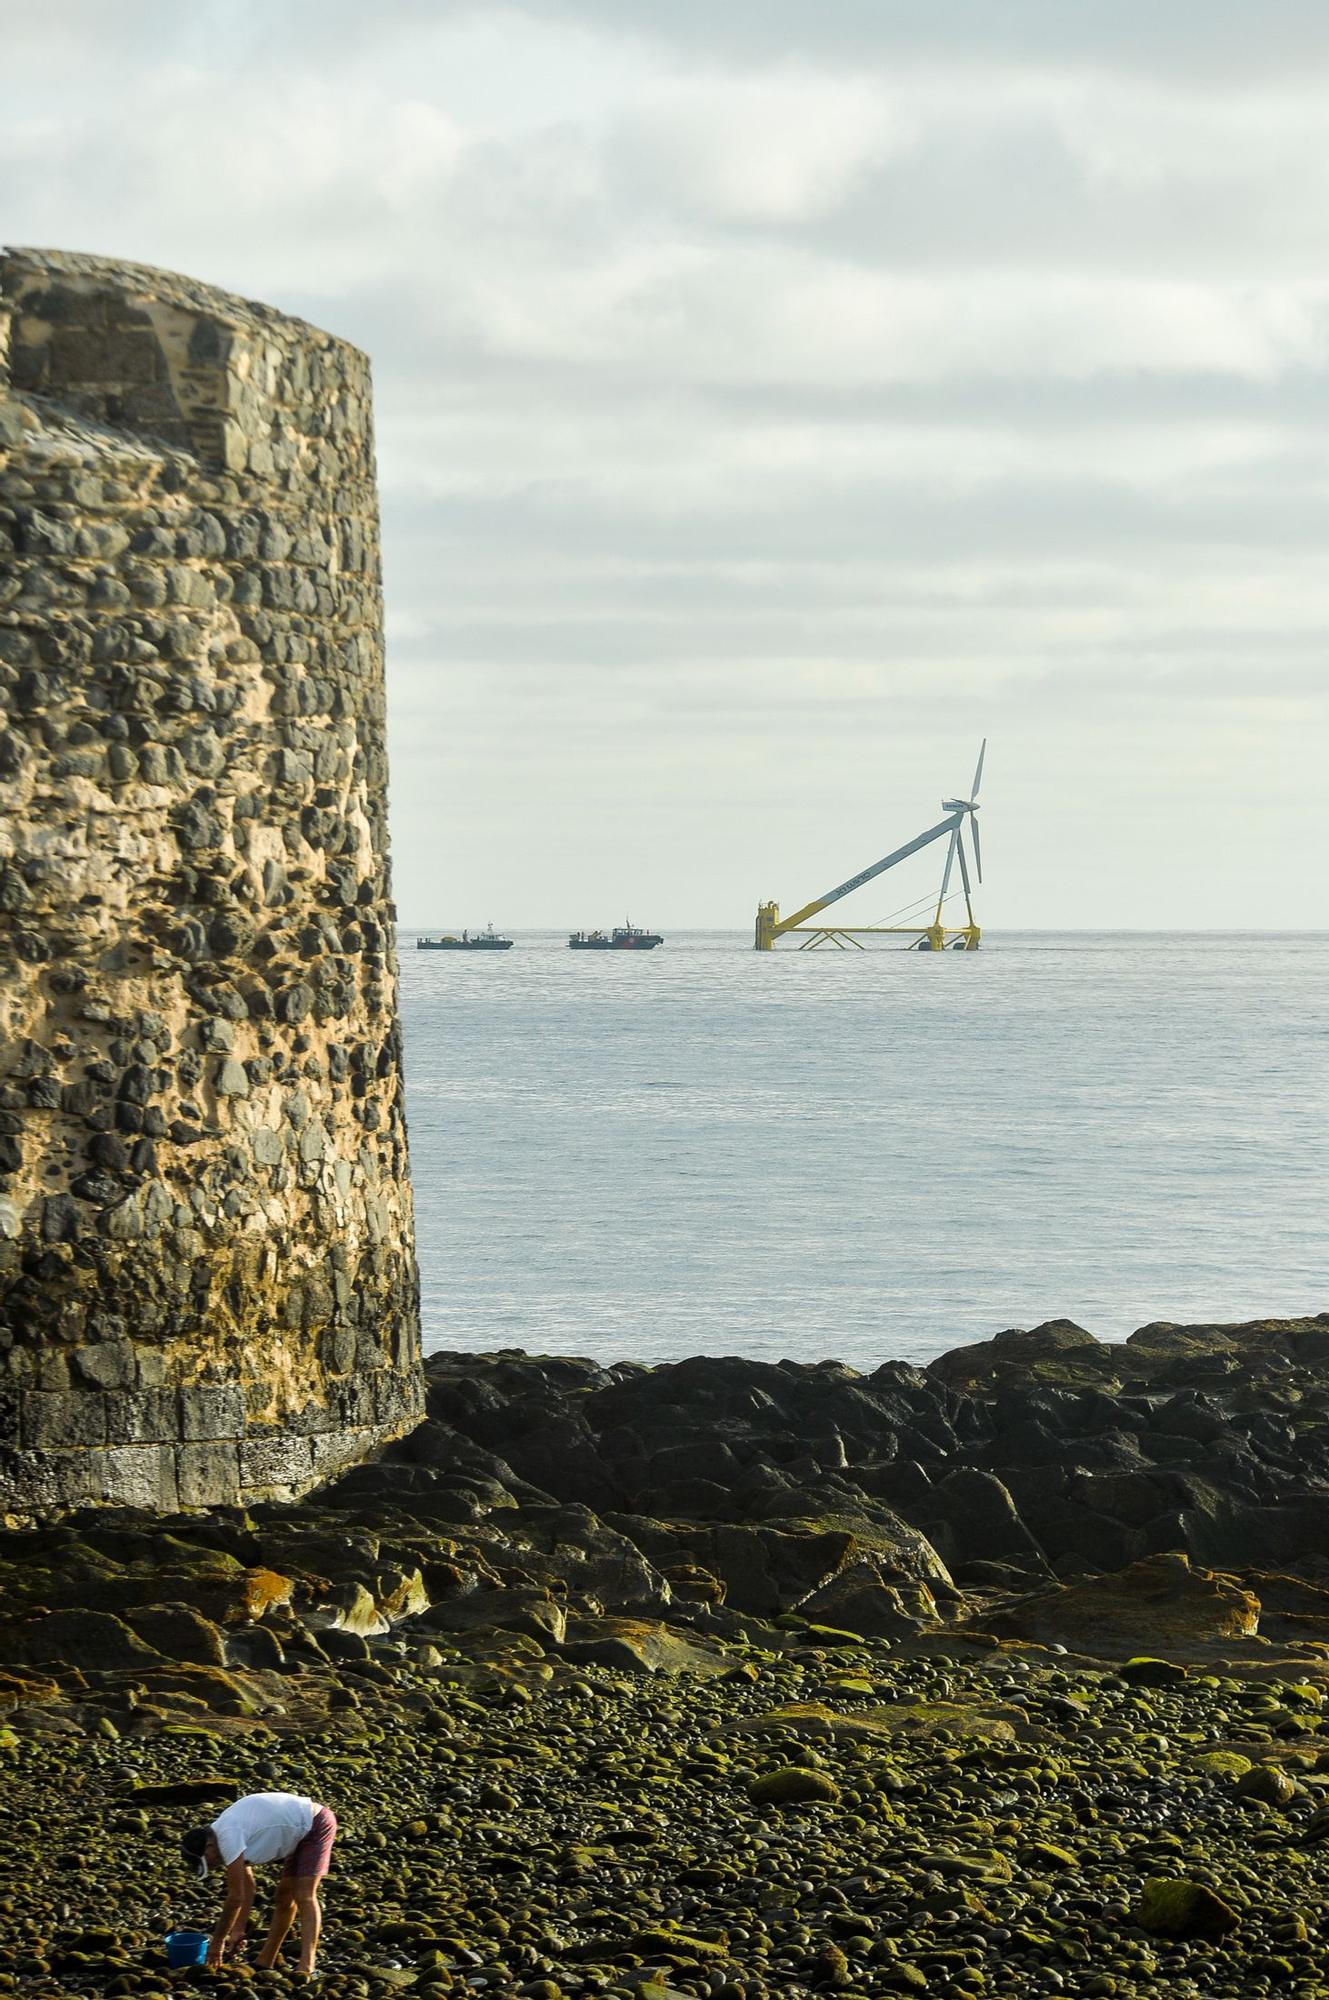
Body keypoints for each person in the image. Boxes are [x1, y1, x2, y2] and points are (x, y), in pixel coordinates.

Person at [181, 1791, 336, 1975]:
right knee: (284, 1898)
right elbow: (247, 1887)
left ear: (209, 1846)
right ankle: (265, 1961)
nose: (213, 1866)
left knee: (304, 1895)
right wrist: (238, 1928)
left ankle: (307, 1967)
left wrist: (217, 1942)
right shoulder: (222, 1834)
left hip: (315, 1823)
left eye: (209, 1861)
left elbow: (235, 1898)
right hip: (295, 1831)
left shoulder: (227, 1836)